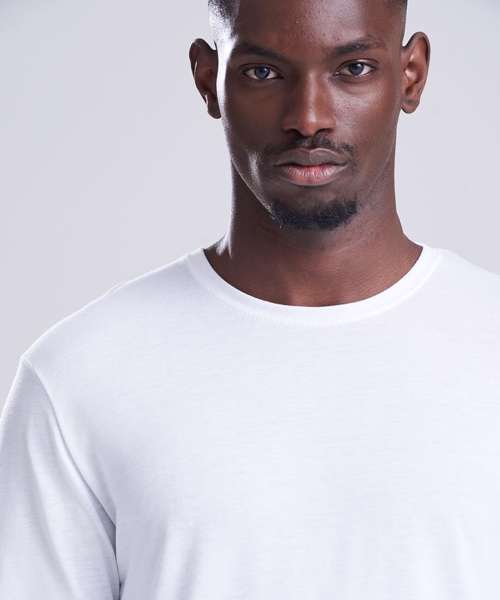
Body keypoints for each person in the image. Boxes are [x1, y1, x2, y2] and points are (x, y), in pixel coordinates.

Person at [1, 0, 500, 598]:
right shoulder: (78, 376)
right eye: (264, 72)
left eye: (353, 69)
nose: (309, 118)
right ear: (208, 78)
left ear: (411, 74)